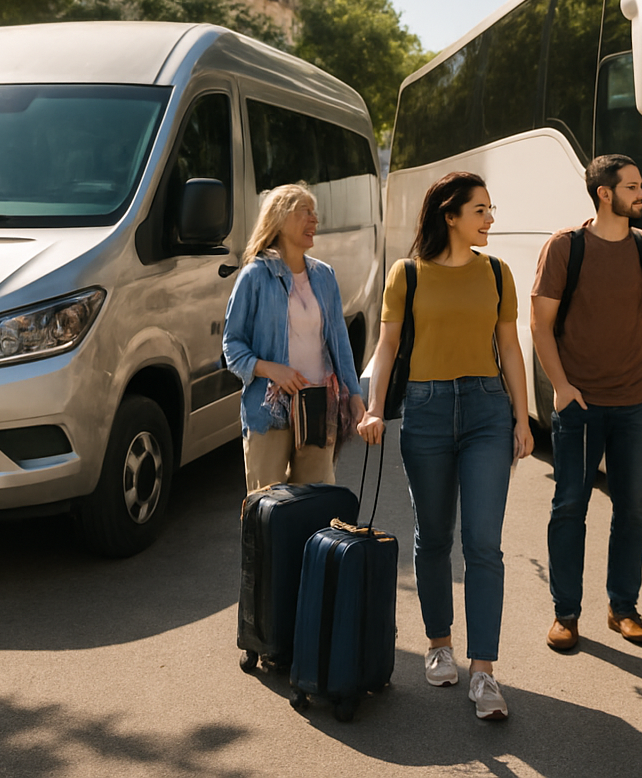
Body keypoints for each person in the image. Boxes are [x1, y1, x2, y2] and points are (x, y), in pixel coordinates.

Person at [358, 172, 534, 721]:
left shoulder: (497, 273)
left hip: (487, 411)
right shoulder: (407, 274)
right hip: (426, 410)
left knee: (483, 544)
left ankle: (484, 672)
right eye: (480, 210)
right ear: (450, 215)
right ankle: (439, 643)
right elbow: (387, 346)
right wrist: (373, 407)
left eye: (490, 208)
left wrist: (522, 416)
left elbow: (510, 347)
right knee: (434, 536)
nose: (490, 219)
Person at [531, 154, 642, 652]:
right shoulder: (565, 247)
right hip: (580, 405)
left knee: (634, 509)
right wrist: (561, 386)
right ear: (605, 193)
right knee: (570, 506)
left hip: (635, 401)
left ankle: (623, 608)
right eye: (633, 187)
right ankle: (565, 614)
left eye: (641, 186)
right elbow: (540, 324)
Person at [223, 183, 365, 493]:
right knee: (268, 505)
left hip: (318, 406)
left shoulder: (324, 275)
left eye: (315, 213)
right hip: (269, 410)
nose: (315, 220)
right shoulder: (255, 276)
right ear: (279, 218)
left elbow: (340, 342)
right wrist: (271, 369)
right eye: (305, 212)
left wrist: (354, 395)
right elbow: (231, 345)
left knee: (317, 503)